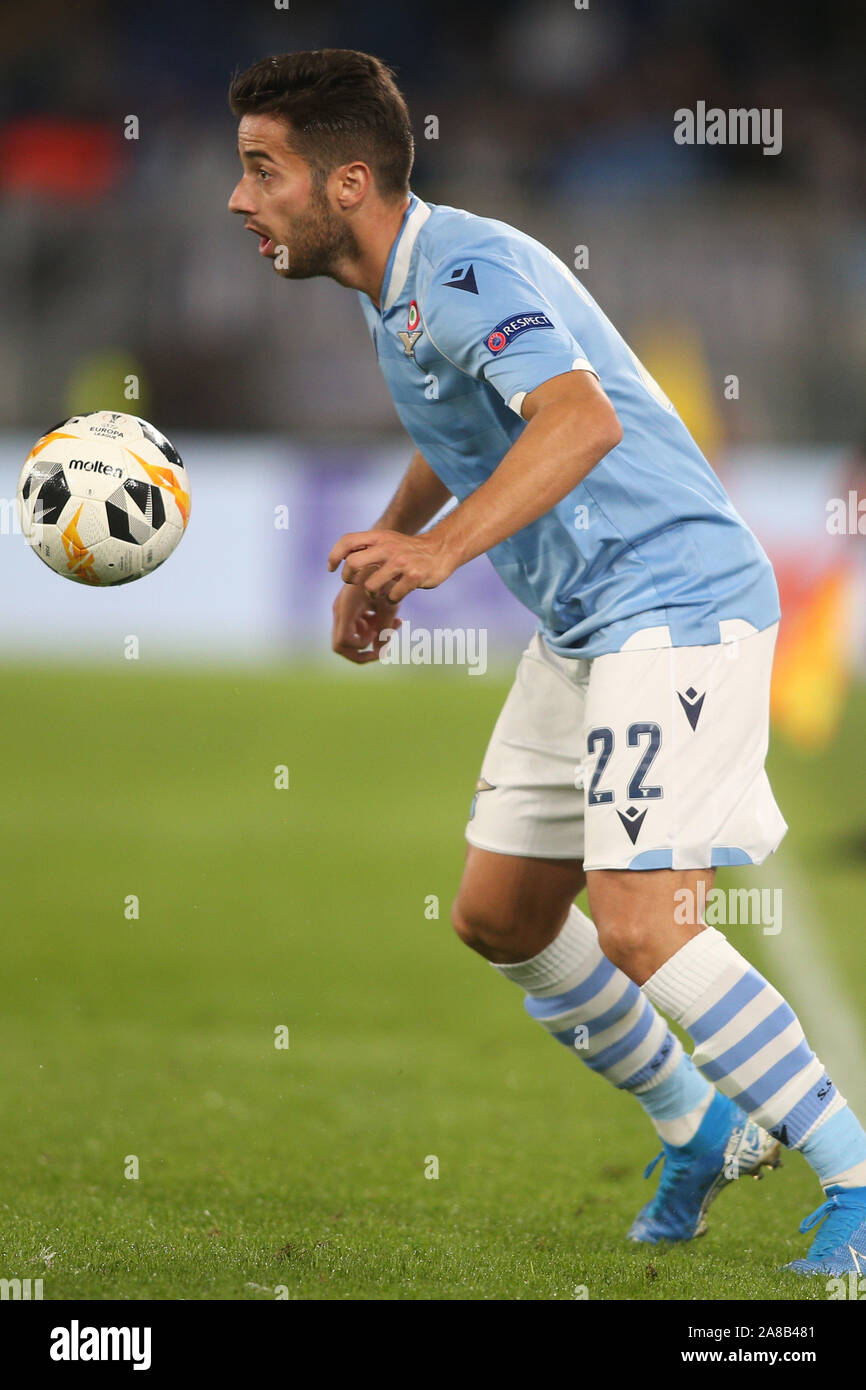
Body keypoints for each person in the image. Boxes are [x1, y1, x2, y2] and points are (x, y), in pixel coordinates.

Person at [227, 47, 866, 1271]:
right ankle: (698, 1120)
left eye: (263, 170)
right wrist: (392, 553)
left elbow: (579, 419)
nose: (239, 198)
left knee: (639, 922)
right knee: (499, 914)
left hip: (672, 600)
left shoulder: (466, 272)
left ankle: (851, 1172)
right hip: (588, 622)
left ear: (347, 182)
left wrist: (442, 555)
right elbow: (458, 424)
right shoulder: (393, 290)